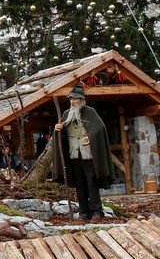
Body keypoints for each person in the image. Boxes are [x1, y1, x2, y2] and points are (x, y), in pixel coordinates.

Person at [52, 85, 113, 220]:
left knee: (91, 182)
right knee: (79, 183)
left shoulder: (90, 112)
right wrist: (57, 129)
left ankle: (97, 210)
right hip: (74, 153)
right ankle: (83, 211)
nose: (72, 101)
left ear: (82, 100)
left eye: (75, 99)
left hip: (88, 153)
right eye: (71, 99)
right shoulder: (66, 114)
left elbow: (99, 129)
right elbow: (61, 132)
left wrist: (90, 138)